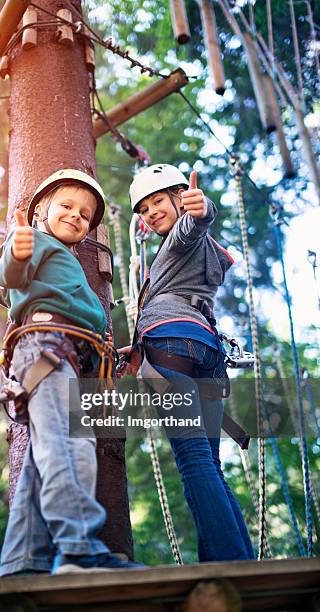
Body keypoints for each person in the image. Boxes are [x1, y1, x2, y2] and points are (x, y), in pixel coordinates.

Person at [0, 169, 142, 576]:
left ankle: (23, 560)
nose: (77, 216)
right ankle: (78, 549)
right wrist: (16, 252)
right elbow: (7, 279)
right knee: (70, 445)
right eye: (67, 206)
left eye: (86, 214)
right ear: (41, 210)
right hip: (45, 348)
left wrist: (112, 359)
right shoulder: (34, 242)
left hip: (62, 353)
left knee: (46, 452)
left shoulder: (66, 265)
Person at [119, 163, 254, 562]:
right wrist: (140, 351)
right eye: (143, 209)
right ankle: (238, 561)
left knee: (195, 460)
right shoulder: (185, 256)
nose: (150, 212)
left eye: (158, 201)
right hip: (203, 350)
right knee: (210, 463)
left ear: (180, 195)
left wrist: (201, 208)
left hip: (173, 347)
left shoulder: (182, 239)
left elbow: (195, 222)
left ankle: (229, 567)